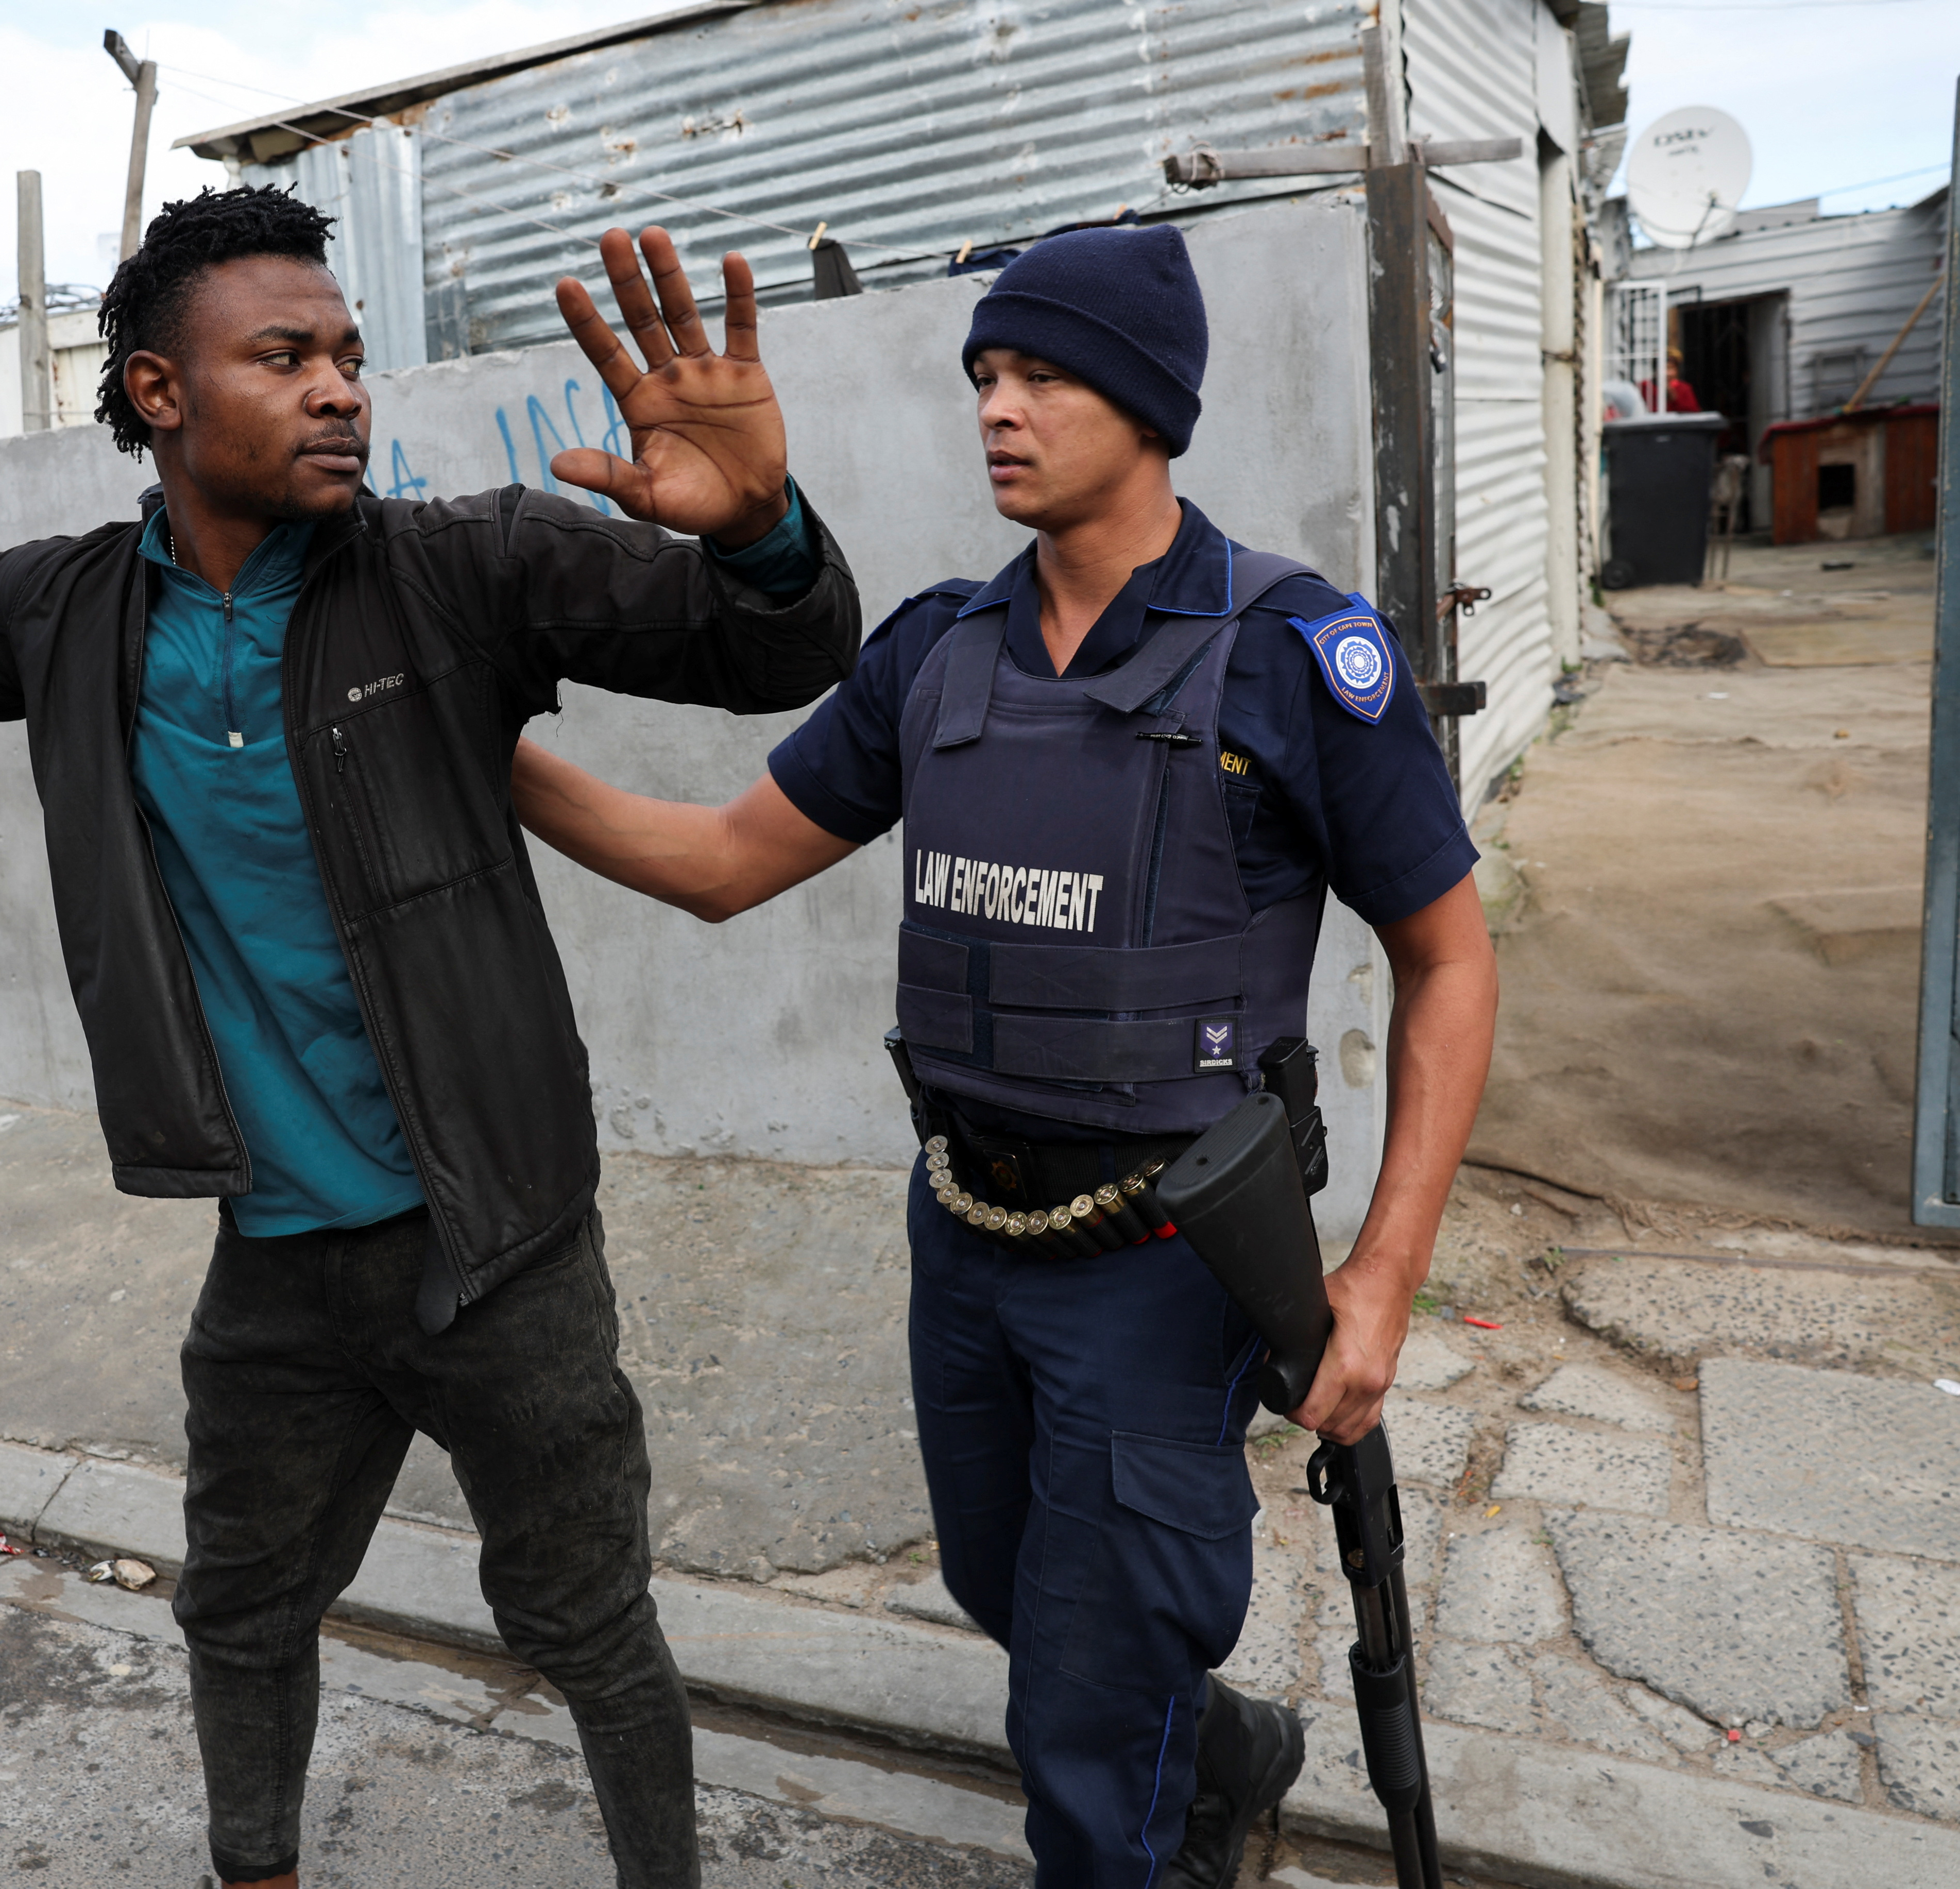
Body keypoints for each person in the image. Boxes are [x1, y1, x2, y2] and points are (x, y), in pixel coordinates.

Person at [0, 188, 859, 1889]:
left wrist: (755, 532)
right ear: (160, 394)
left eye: (351, 359)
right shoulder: (69, 612)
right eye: (287, 356)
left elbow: (772, 652)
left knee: (585, 1621)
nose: (340, 391)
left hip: (500, 1248)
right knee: (241, 1605)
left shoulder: (460, 570)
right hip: (278, 1265)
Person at [509, 222, 1498, 1888]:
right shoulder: (933, 651)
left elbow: (1449, 962)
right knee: (1006, 1584)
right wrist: (486, 755)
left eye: (1041, 372)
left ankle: (1142, 1803)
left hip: (1167, 1258)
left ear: (1148, 402)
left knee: (1084, 1737)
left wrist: (1386, 1274)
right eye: (984, 374)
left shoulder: (1295, 652)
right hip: (964, 1229)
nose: (998, 406)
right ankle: (1222, 1745)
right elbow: (720, 862)